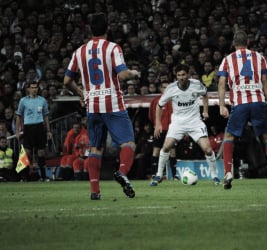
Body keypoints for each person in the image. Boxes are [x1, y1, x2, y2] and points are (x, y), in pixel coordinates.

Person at [63, 13, 140, 200]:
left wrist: (83, 94)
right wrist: (134, 73)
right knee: (128, 143)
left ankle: (94, 191)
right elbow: (122, 75)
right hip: (112, 103)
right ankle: (122, 172)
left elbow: (66, 81)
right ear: (108, 28)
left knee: (96, 149)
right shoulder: (113, 48)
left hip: (92, 107)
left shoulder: (79, 51)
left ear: (90, 29)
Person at [217, 30, 267, 190]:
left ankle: (227, 173)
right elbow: (265, 82)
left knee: (229, 136)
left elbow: (221, 83)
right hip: (258, 101)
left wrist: (221, 105)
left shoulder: (228, 59)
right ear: (248, 42)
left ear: (234, 43)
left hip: (240, 103)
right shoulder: (259, 57)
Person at [150, 64, 220, 186]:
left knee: (208, 150)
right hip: (178, 122)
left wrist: (205, 110)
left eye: (183, 74)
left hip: (195, 122)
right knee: (166, 147)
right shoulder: (171, 88)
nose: (181, 77)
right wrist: (158, 123)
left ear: (188, 74)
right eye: (178, 75)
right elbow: (159, 106)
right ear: (176, 76)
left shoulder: (196, 84)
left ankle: (215, 176)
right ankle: (159, 175)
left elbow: (205, 94)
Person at [15, 81, 52, 182]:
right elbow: (18, 116)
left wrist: (48, 130)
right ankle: (25, 176)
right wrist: (17, 131)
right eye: (32, 87)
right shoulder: (23, 101)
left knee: (41, 152)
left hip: (39, 127)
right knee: (27, 153)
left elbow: (46, 116)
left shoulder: (42, 100)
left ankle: (43, 176)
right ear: (28, 89)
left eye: (36, 87)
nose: (34, 89)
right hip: (28, 127)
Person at [148, 81, 179, 180]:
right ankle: (154, 174)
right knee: (156, 151)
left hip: (171, 130)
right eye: (164, 87)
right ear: (160, 89)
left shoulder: (173, 100)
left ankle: (174, 175)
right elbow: (151, 116)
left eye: (168, 87)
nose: (166, 89)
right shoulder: (156, 101)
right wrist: (157, 125)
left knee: (172, 152)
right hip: (160, 130)